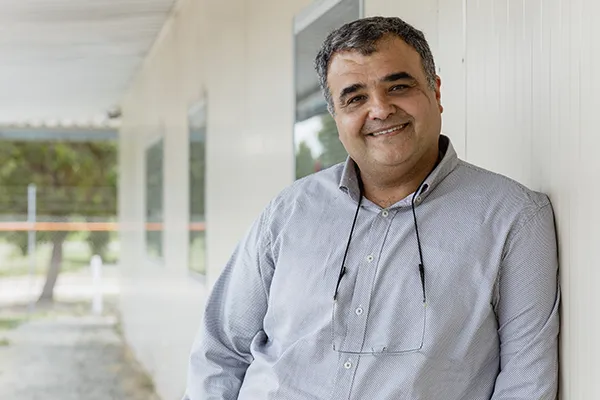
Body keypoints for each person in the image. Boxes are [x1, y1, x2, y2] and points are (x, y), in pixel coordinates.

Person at [183, 16, 559, 400]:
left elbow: (526, 384)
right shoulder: (289, 211)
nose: (380, 110)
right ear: (337, 117)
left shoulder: (514, 218)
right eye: (355, 97)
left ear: (436, 92)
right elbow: (220, 352)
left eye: (398, 86)